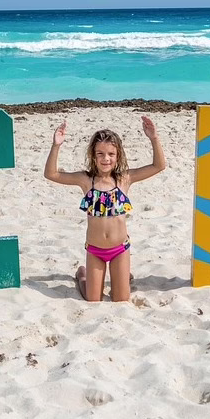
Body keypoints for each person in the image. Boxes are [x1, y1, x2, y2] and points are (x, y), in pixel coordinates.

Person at [43, 117, 166, 302]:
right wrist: (56, 145)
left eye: (110, 154)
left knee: (121, 299)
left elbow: (159, 166)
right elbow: (51, 174)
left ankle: (124, 277)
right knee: (93, 299)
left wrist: (154, 138)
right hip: (95, 250)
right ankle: (82, 274)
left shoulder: (124, 179)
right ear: (93, 155)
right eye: (100, 154)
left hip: (120, 249)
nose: (105, 158)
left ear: (118, 157)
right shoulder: (86, 180)